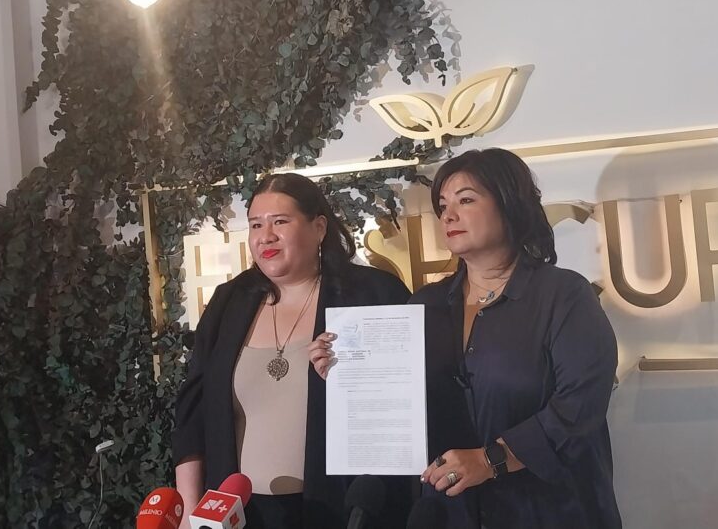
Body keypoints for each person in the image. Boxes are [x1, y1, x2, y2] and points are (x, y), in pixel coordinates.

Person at [172, 173, 412, 529]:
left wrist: (352, 377)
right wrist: (190, 511)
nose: (265, 236)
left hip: (342, 509)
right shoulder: (229, 301)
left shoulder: (373, 294)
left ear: (319, 228)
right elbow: (193, 413)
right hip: (239, 513)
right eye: (256, 224)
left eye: (280, 222)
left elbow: (409, 400)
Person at [415, 148, 621, 528]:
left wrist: (491, 459)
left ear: (509, 204)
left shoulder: (563, 294)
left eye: (466, 200)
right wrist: (346, 371)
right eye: (442, 206)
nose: (448, 215)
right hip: (452, 512)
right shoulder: (424, 305)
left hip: (550, 509)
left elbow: (580, 404)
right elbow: (401, 402)